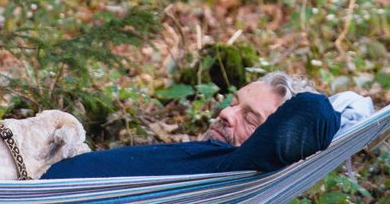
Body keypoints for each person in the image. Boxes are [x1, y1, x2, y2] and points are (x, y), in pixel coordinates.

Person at [42, 71, 340, 179]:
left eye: (249, 118)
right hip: (16, 189)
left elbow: (315, 112)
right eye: (234, 103)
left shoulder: (232, 165)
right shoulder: (206, 155)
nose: (226, 114)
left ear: (280, 137)